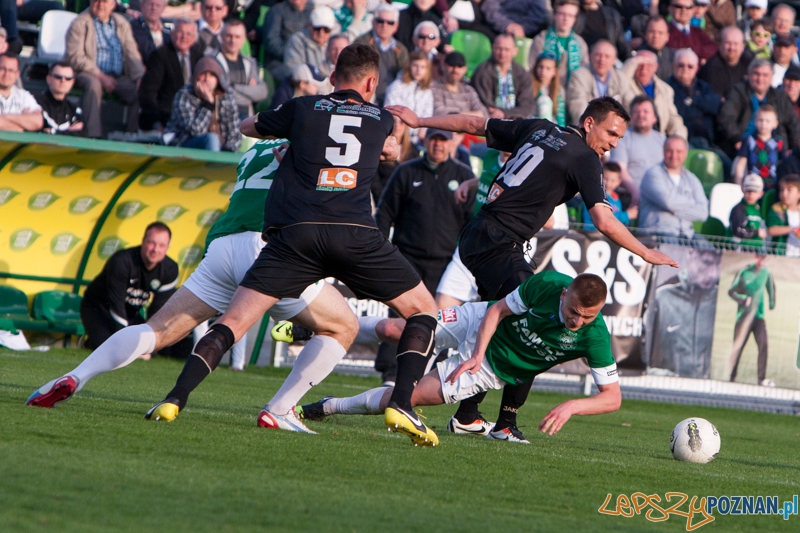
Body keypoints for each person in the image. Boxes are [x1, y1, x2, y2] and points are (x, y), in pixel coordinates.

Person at [170, 43, 440, 447]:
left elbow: (246, 127)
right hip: (354, 232)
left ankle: (174, 399)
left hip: (296, 235)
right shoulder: (381, 117)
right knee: (423, 310)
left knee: (233, 322)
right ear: (372, 82)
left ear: (332, 77)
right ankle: (400, 402)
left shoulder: (302, 107)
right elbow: (392, 151)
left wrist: (292, 138)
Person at [388, 97, 677, 442]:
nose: (614, 144)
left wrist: (420, 121)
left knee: (497, 318)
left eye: (619, 138)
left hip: (479, 233)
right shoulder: (584, 157)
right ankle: (499, 421)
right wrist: (644, 251)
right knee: (536, 317)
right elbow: (602, 218)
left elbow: (475, 125)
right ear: (589, 123)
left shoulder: (539, 127)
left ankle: (467, 413)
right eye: (612, 133)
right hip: (500, 241)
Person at [26, 140, 359, 435]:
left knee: (156, 330)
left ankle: (76, 376)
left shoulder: (253, 149)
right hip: (265, 245)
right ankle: (281, 409)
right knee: (343, 325)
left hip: (222, 246)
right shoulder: (309, 141)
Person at [299, 272, 622, 440]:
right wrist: (476, 353)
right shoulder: (549, 284)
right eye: (574, 312)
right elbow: (497, 311)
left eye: (587, 317)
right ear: (565, 294)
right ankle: (321, 325)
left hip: (495, 368)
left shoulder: (594, 336)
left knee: (409, 397)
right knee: (398, 329)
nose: (577, 321)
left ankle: (328, 405)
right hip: (479, 323)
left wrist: (573, 405)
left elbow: (613, 398)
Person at [376, 128, 475, 296]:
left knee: (439, 318)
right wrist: (380, 253)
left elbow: (472, 222)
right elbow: (384, 213)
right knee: (401, 318)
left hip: (446, 263)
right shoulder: (406, 172)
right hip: (407, 260)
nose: (437, 144)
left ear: (452, 143)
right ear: (425, 141)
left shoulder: (465, 176)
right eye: (433, 139)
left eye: (442, 140)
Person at [78, 222, 178, 351]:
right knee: (107, 349)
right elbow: (116, 305)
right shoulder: (122, 261)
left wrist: (149, 345)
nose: (155, 249)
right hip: (99, 308)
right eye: (151, 243)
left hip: (131, 312)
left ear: (168, 247)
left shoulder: (170, 269)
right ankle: (90, 343)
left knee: (149, 348)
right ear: (143, 241)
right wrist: (126, 344)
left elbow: (158, 310)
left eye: (161, 245)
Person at [65, 0, 144, 139]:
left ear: (113, 5)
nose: (101, 4)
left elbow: (131, 52)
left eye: (105, 1)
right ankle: (93, 136)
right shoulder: (80, 22)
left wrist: (139, 76)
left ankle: (132, 136)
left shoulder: (121, 23)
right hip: (87, 73)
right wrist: (100, 76)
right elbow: (75, 56)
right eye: (97, 1)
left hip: (117, 76)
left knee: (141, 90)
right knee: (93, 85)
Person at [645, 243, 721, 379]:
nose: (713, 273)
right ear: (691, 254)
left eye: (717, 264)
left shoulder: (719, 300)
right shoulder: (662, 297)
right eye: (707, 262)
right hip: (666, 384)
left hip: (706, 388)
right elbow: (642, 347)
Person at [717, 59, 800, 158]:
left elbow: (794, 124)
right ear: (749, 74)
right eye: (756, 74)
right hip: (743, 148)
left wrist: (795, 149)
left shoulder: (779, 97)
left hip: (774, 151)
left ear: (771, 77)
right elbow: (726, 118)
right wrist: (737, 139)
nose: (760, 79)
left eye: (765, 75)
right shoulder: (737, 92)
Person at [162, 56, 241, 152]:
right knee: (212, 138)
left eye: (212, 75)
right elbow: (195, 131)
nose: (207, 79)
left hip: (220, 149)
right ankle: (213, 166)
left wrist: (227, 151)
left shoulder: (227, 98)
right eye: (203, 74)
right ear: (196, 76)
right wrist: (208, 104)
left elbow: (235, 134)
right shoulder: (184, 95)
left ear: (218, 79)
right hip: (183, 146)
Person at [638, 135, 709, 238]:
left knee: (710, 251)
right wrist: (692, 202)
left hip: (686, 232)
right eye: (669, 151)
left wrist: (675, 211)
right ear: (663, 151)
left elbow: (703, 213)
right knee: (673, 250)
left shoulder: (692, 179)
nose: (674, 155)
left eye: (679, 151)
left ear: (685, 153)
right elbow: (668, 202)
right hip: (658, 232)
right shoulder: (652, 174)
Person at [138, 19, 202, 131]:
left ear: (194, 38)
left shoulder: (199, 57)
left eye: (189, 34)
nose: (184, 37)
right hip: (166, 116)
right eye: (180, 32)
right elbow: (147, 93)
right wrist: (157, 122)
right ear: (172, 34)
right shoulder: (160, 55)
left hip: (193, 116)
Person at [727, 252, 775, 387]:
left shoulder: (766, 272)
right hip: (743, 317)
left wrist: (772, 303)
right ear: (754, 257)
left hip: (759, 317)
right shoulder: (744, 271)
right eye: (758, 257)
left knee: (763, 345)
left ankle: (761, 379)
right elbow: (731, 291)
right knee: (738, 346)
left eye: (763, 258)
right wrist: (742, 300)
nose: (760, 260)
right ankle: (732, 376)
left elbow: (771, 288)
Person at [211, 18, 268, 119]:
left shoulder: (250, 62)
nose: (233, 40)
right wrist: (250, 93)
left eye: (237, 37)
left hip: (246, 115)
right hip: (221, 116)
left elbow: (263, 92)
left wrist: (235, 87)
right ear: (221, 37)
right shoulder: (212, 60)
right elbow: (221, 94)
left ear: (244, 39)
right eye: (229, 36)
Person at [623, 50, 688, 139]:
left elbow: (673, 119)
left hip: (657, 138)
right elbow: (618, 83)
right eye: (640, 65)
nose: (643, 69)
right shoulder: (625, 84)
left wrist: (679, 139)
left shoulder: (666, 89)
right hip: (630, 137)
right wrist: (632, 62)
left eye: (648, 65)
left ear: (655, 67)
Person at [565, 40, 631, 124]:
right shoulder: (579, 76)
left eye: (607, 56)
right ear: (590, 56)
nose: (602, 60)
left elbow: (630, 105)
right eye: (598, 55)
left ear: (614, 60)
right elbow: (578, 109)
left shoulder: (620, 77)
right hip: (588, 128)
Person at [666, 47, 721, 149]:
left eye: (690, 66)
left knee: (727, 164)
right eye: (681, 65)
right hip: (680, 142)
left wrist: (693, 101)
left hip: (708, 140)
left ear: (696, 68)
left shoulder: (703, 86)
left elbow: (715, 105)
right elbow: (680, 111)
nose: (685, 69)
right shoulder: (666, 87)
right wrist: (701, 105)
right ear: (673, 65)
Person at [608, 95, 664, 193]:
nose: (641, 115)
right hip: (632, 194)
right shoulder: (621, 138)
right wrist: (636, 193)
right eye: (636, 112)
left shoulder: (662, 139)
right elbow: (620, 170)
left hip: (661, 194)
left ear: (655, 117)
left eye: (646, 112)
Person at [355, 4, 408, 106]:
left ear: (396, 26)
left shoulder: (401, 49)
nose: (385, 25)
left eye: (390, 22)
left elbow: (405, 79)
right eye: (380, 21)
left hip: (393, 102)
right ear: (373, 22)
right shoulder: (361, 43)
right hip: (365, 100)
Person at [472, 34, 534, 119]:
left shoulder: (522, 74)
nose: (502, 53)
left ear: (515, 51)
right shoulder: (482, 72)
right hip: (490, 118)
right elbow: (485, 102)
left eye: (507, 49)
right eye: (499, 48)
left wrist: (505, 113)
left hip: (517, 118)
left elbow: (526, 104)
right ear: (493, 48)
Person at [529, 0, 589, 87]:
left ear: (575, 19)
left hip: (572, 92)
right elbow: (532, 69)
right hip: (545, 92)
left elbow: (584, 74)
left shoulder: (581, 44)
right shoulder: (540, 40)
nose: (566, 19)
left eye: (570, 15)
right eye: (562, 14)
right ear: (554, 15)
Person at [384, 50, 434, 144]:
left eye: (423, 67)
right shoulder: (397, 86)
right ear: (409, 66)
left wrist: (422, 130)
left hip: (417, 141)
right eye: (415, 65)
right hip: (397, 138)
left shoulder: (427, 91)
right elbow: (390, 112)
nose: (418, 70)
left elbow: (427, 115)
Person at [734, 105, 786, 190]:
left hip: (773, 185)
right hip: (752, 184)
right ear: (755, 121)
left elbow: (783, 164)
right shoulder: (748, 140)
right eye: (760, 120)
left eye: (767, 121)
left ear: (775, 124)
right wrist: (739, 186)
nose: (763, 124)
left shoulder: (779, 142)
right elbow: (741, 164)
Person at [697, 26, 753, 100]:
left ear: (743, 47)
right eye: (728, 43)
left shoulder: (750, 64)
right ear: (720, 45)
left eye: (736, 44)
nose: (732, 48)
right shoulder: (711, 69)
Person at [262, 0, 312, 80]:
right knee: (298, 78)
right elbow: (271, 42)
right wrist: (291, 56)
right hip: (278, 62)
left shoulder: (310, 15)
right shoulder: (277, 11)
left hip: (304, 62)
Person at [581, 162, 637, 230]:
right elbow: (604, 219)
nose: (608, 183)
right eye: (605, 178)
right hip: (594, 233)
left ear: (618, 182)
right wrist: (626, 215)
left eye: (613, 180)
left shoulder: (617, 199)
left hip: (608, 234)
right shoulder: (595, 196)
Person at [431, 51, 488, 117]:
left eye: (459, 66)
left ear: (465, 69)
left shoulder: (468, 90)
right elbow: (439, 114)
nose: (455, 70)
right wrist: (473, 115)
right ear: (443, 66)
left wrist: (456, 114)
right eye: (451, 65)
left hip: (467, 127)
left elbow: (484, 113)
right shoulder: (434, 87)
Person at [283, 5, 336, 74]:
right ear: (309, 25)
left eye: (326, 29)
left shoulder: (335, 43)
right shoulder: (297, 41)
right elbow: (293, 70)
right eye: (317, 28)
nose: (321, 32)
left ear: (332, 29)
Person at [35, 62, 83, 135]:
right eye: (58, 77)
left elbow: (80, 134)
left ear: (72, 82)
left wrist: (52, 131)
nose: (63, 81)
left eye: (68, 78)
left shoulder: (74, 110)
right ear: (48, 79)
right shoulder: (34, 102)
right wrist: (68, 132)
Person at [0, 53, 43, 132]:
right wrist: (23, 124)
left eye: (11, 70)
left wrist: (5, 117)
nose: (6, 74)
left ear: (17, 74)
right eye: (2, 69)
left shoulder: (24, 95)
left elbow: (38, 121)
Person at [766, 173, 800, 256]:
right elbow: (771, 230)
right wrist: (792, 229)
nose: (784, 193)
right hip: (780, 255)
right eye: (781, 190)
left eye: (789, 190)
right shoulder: (776, 209)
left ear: (799, 193)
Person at [729, 173, 767, 246]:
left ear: (761, 194)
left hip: (755, 250)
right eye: (748, 191)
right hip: (740, 250)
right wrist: (757, 232)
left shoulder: (758, 209)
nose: (751, 194)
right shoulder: (739, 209)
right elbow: (737, 230)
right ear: (743, 190)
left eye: (754, 191)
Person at [481, 0, 551, 38]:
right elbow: (490, 7)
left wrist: (523, 28)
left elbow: (538, 15)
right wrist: (507, 25)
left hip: (525, 33)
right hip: (498, 29)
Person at [531, 53, 566, 126]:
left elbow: (561, 116)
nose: (543, 71)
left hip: (552, 127)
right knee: (544, 100)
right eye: (541, 67)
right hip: (531, 124)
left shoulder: (559, 90)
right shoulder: (528, 85)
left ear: (554, 72)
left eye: (548, 68)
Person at [638, 16, 674, 82]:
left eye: (660, 33)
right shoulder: (637, 58)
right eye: (652, 32)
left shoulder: (674, 57)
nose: (656, 36)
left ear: (667, 36)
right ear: (645, 34)